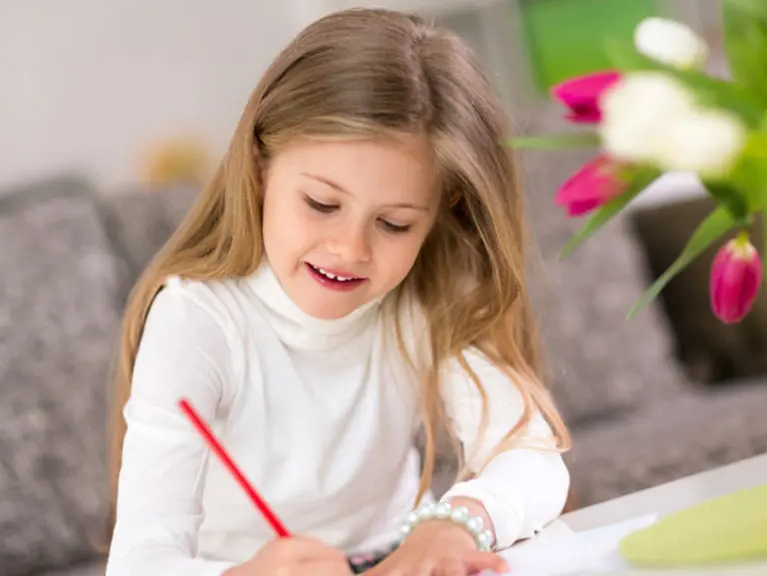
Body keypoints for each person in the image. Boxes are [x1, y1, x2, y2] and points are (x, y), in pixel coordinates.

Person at [104, 7, 572, 576]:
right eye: (322, 204)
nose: (351, 249)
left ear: (440, 211)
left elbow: (534, 461)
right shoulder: (196, 321)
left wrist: (457, 523)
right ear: (258, 168)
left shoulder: (428, 293)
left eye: (394, 223)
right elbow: (138, 564)